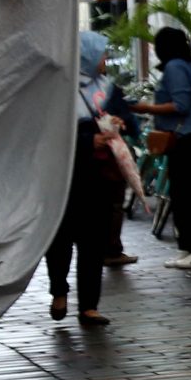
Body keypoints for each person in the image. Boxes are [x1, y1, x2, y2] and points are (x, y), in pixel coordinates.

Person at [49, 31, 127, 326]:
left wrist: (120, 123)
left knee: (93, 242)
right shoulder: (60, 91)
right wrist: (87, 141)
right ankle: (59, 291)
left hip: (100, 177)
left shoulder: (109, 89)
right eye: (102, 54)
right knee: (60, 241)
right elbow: (52, 131)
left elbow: (127, 119)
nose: (105, 60)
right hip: (67, 177)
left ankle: (89, 306)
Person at [134, 26, 191, 271]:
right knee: (185, 193)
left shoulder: (175, 67)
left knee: (185, 194)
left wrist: (146, 108)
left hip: (188, 137)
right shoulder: (184, 66)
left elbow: (180, 105)